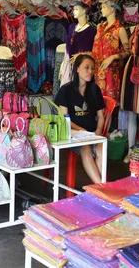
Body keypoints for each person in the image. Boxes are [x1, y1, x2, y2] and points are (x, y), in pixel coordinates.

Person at [55, 54, 106, 184]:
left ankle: (102, 186)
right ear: (77, 69)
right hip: (73, 135)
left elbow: (101, 116)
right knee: (86, 148)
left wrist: (99, 131)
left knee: (101, 147)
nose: (90, 71)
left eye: (92, 68)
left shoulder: (95, 90)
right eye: (86, 68)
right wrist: (82, 130)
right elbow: (64, 120)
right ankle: (101, 186)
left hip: (92, 134)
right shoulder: (66, 90)